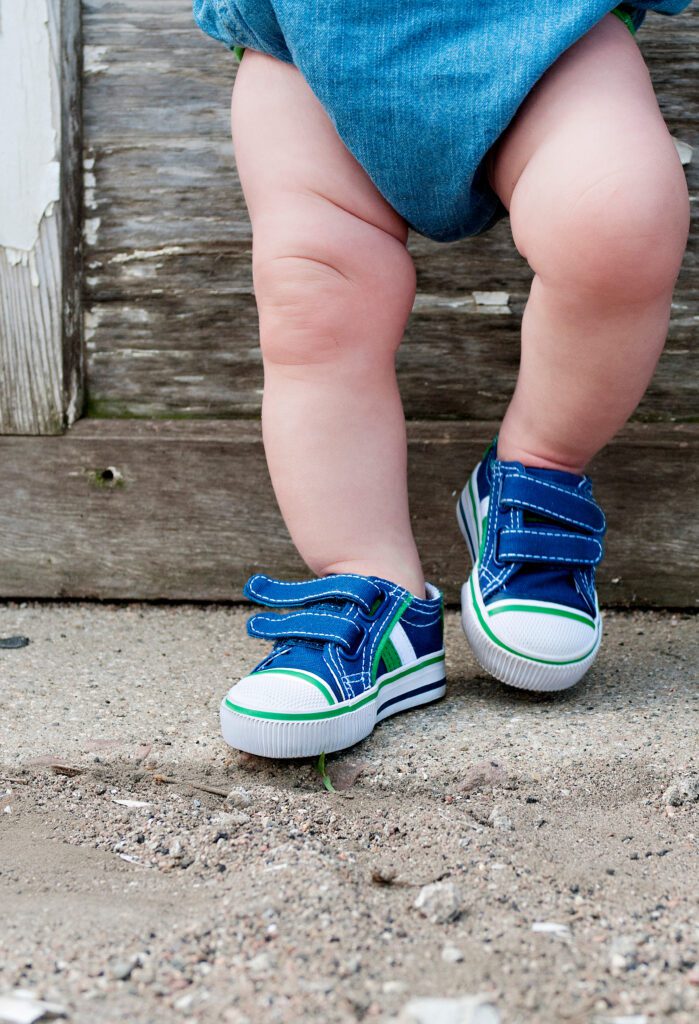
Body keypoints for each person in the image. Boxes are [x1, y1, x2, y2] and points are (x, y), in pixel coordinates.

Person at [192, 1, 691, 758]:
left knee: (618, 219)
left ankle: (538, 468)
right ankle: (370, 586)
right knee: (314, 302)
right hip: (310, 45)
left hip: (551, 29)